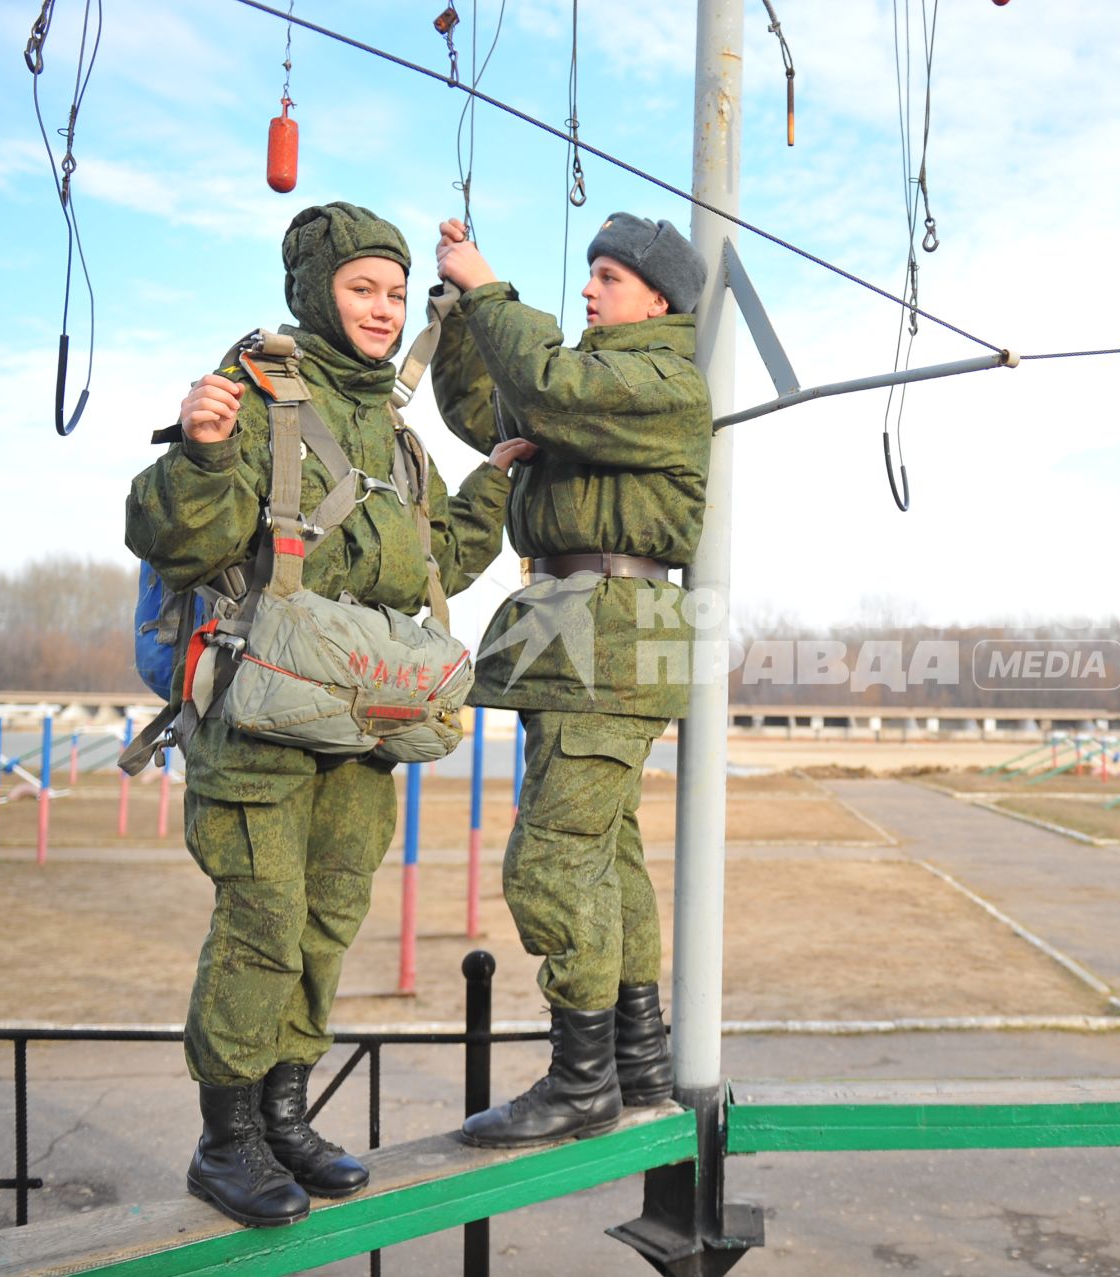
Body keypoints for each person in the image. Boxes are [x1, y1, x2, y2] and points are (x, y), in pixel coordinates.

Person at [125, 202, 524, 1226]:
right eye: (363, 287)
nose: (386, 309)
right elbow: (175, 536)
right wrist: (205, 451)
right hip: (257, 722)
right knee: (260, 922)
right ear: (317, 291)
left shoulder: (393, 427)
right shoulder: (257, 393)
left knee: (326, 921)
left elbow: (429, 567)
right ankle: (228, 1140)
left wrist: (491, 485)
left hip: (359, 725)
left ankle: (286, 1113)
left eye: (397, 293)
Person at [429, 211, 711, 1146]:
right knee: (605, 855)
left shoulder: (660, 380)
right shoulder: (593, 389)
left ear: (658, 299)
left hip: (616, 633)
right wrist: (463, 317)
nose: (589, 290)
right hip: (579, 631)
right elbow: (492, 407)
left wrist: (489, 290)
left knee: (550, 862)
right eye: (589, 275)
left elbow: (543, 382)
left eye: (607, 278)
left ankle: (580, 1080)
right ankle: (634, 1062)